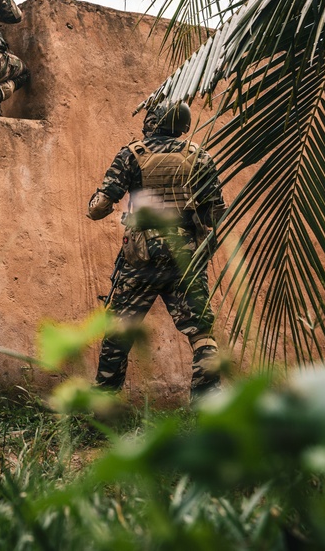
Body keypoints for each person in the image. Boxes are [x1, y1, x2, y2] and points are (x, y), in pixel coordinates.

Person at [87, 101, 226, 402]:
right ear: (182, 125)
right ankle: (208, 407)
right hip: (186, 258)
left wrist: (96, 206)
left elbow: (99, 207)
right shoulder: (199, 156)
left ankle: (102, 409)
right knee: (202, 334)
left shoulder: (132, 154)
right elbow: (215, 213)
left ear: (152, 121)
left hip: (142, 258)